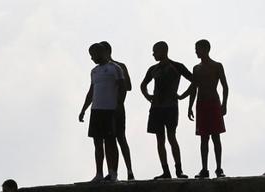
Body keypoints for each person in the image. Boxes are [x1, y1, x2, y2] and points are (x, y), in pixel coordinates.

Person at [140, 41, 193, 179]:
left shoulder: (176, 66)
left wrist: (182, 95)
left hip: (170, 106)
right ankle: (166, 171)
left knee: (171, 137)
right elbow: (143, 85)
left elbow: (194, 81)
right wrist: (148, 96)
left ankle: (179, 170)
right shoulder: (153, 69)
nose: (153, 54)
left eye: (155, 51)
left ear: (163, 51)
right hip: (157, 107)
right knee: (160, 139)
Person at [78, 43, 123, 182]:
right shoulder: (94, 71)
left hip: (109, 110)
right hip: (96, 110)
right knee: (97, 143)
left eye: (94, 54)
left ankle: (113, 172)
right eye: (90, 55)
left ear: (102, 52)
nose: (92, 58)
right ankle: (99, 173)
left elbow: (122, 88)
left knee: (110, 142)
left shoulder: (115, 68)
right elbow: (91, 91)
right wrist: (83, 109)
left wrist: (119, 105)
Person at [187, 39, 229, 178]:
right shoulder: (196, 68)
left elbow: (225, 86)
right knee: (203, 138)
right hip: (201, 104)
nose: (196, 52)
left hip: (213, 102)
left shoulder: (217, 66)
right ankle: (204, 169)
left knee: (216, 136)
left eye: (197, 49)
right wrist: (189, 106)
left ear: (205, 49)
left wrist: (224, 104)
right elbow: (194, 88)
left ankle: (219, 168)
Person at [99, 42, 136, 180]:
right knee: (109, 140)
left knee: (121, 138)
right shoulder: (100, 69)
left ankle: (129, 170)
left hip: (117, 108)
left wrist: (118, 99)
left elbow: (128, 86)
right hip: (106, 108)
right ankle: (113, 171)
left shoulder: (119, 66)